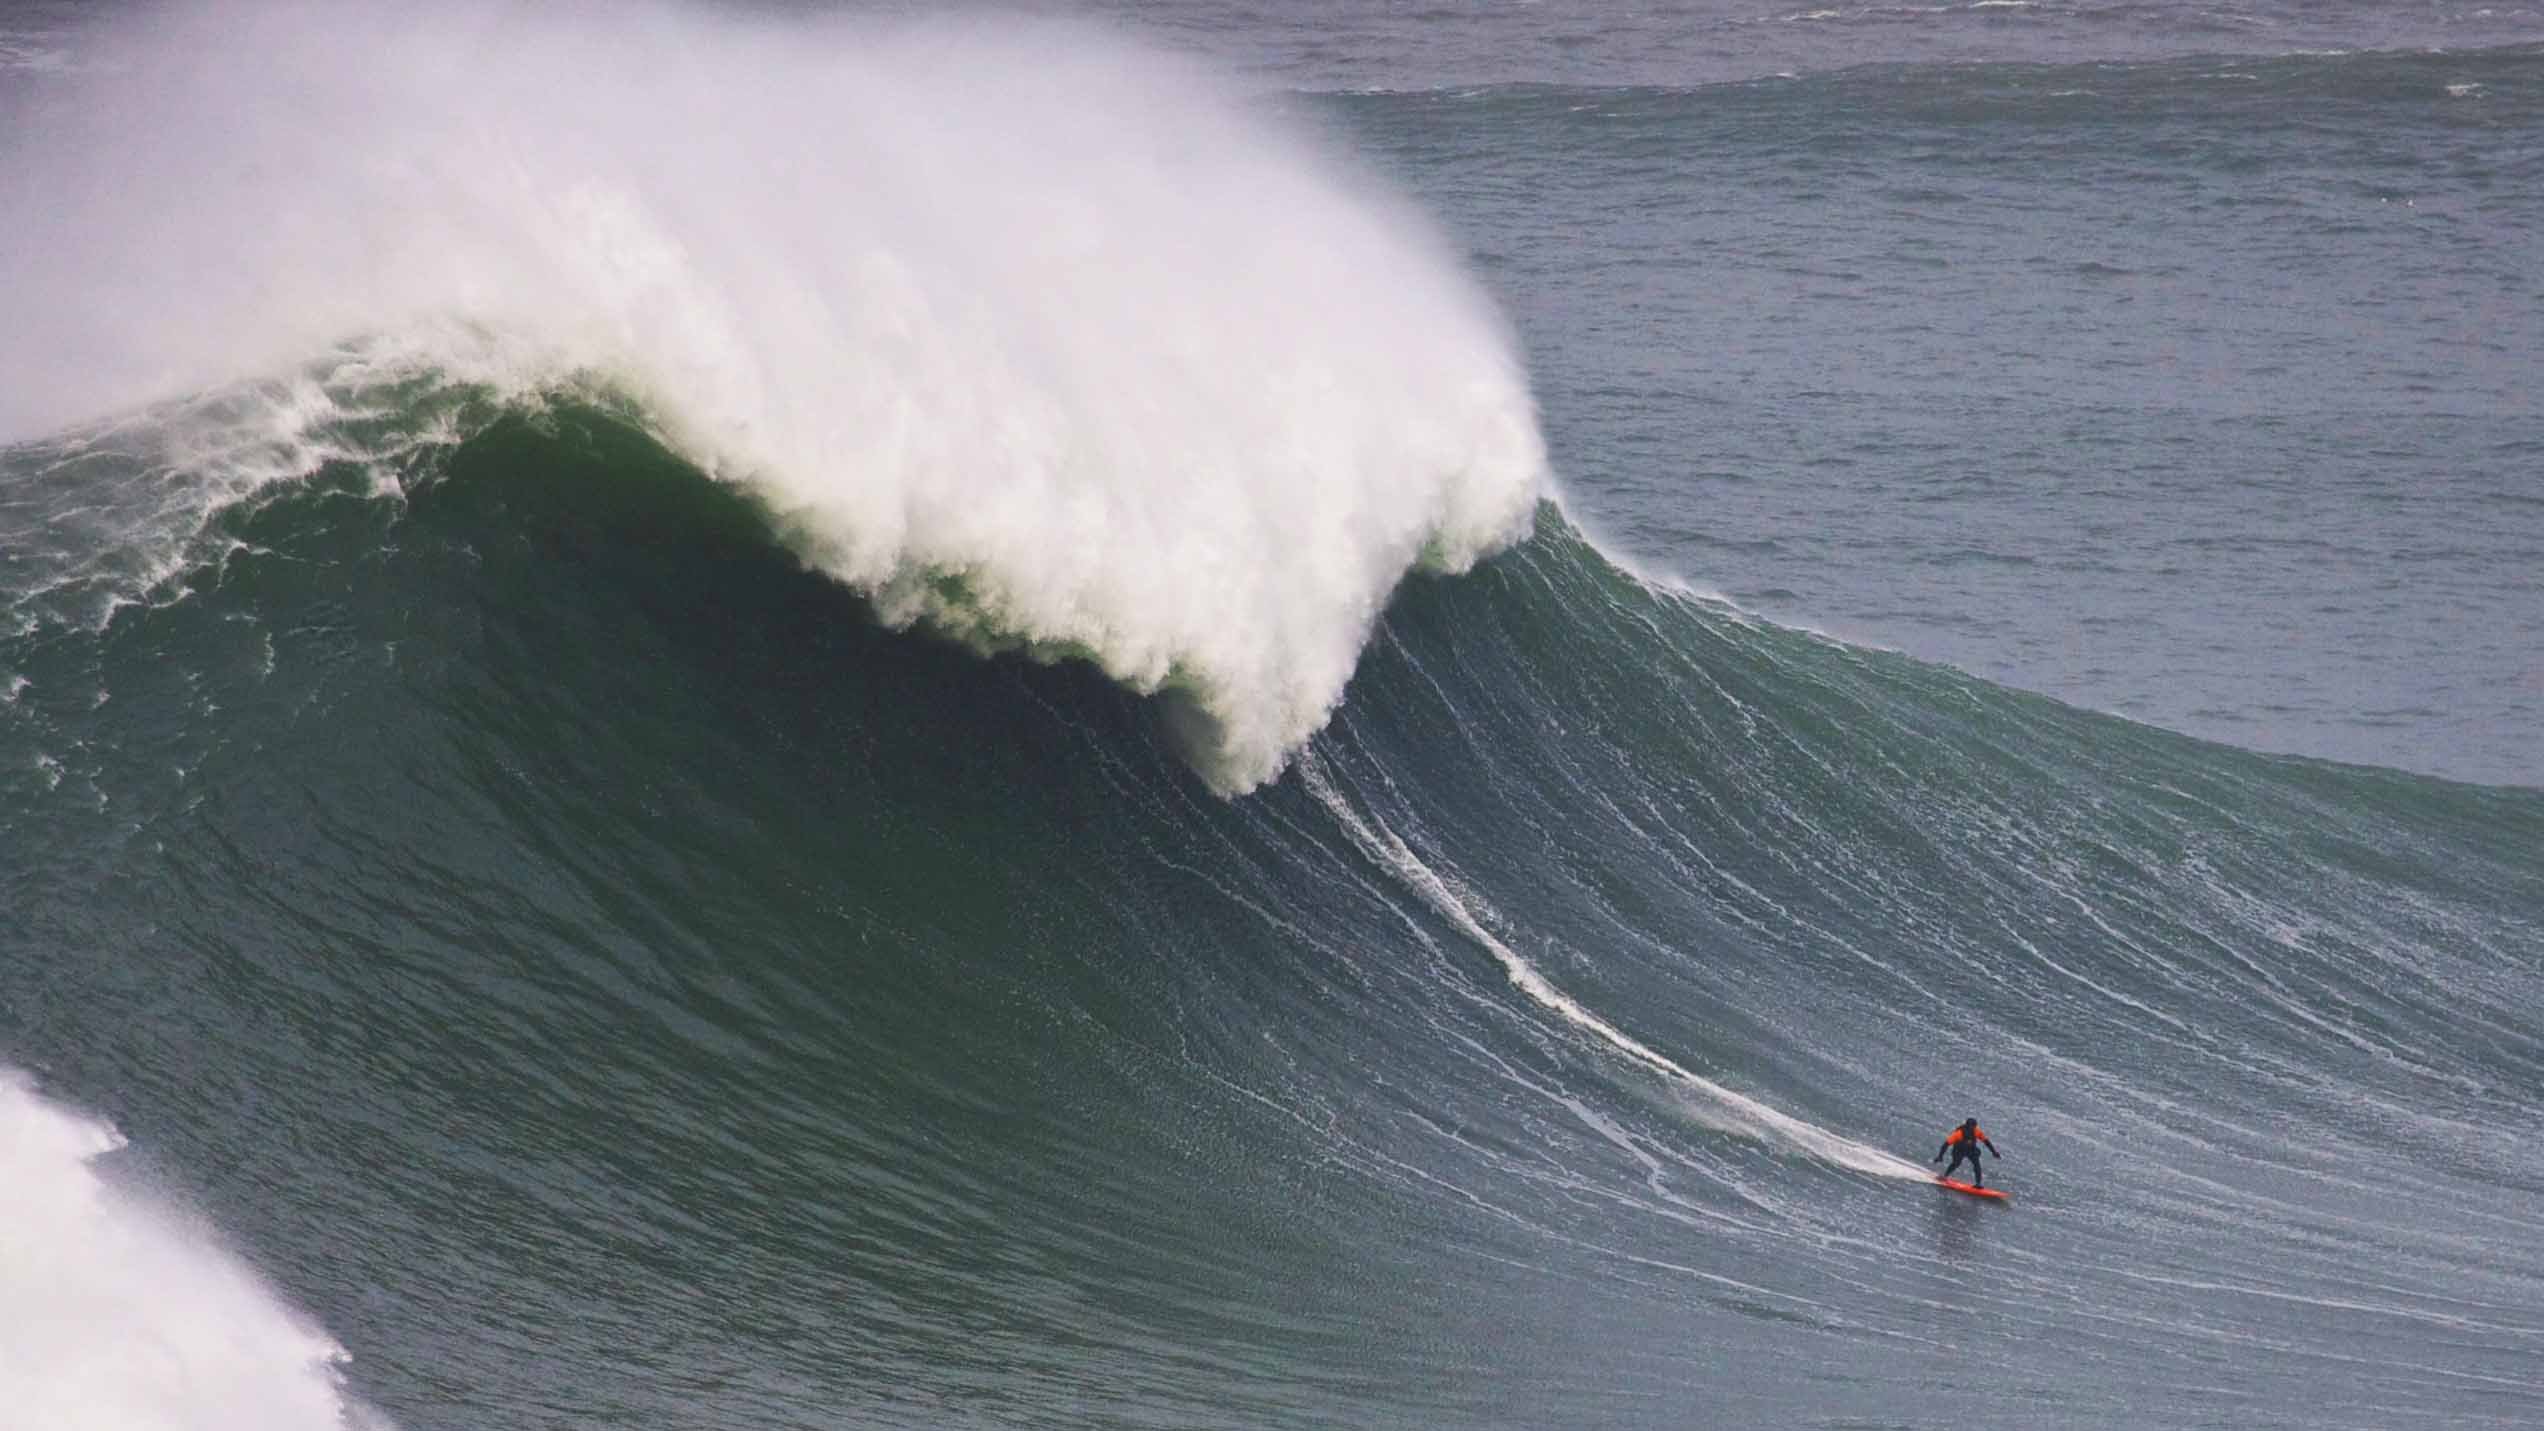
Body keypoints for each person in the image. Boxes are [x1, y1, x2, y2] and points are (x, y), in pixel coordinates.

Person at [1933, 1117, 1998, 1186]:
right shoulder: (1958, 1133)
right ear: (1967, 1126)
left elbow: (1986, 1141)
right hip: (1959, 1150)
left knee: (1977, 1164)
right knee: (1956, 1163)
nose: (1973, 1128)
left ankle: (1978, 1184)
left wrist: (1994, 1152)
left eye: (1974, 1126)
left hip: (1971, 1150)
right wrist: (1940, 1156)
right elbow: (1945, 1145)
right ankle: (1945, 1176)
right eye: (1972, 1126)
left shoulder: (1977, 1131)